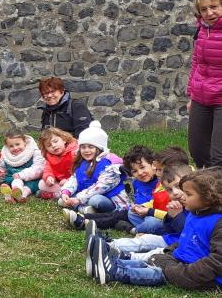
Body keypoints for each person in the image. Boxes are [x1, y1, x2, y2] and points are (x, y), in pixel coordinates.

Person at [89, 167, 222, 289]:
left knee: (159, 272)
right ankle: (111, 263)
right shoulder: (195, 214)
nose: (183, 196)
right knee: (156, 260)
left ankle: (115, 272)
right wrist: (170, 251)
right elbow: (186, 240)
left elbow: (217, 261)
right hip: (181, 259)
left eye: (188, 194)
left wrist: (185, 272)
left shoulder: (218, 222)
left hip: (201, 275)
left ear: (209, 197)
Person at [60, 121, 128, 216]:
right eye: (83, 147)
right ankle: (84, 208)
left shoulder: (110, 163)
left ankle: (83, 208)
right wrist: (66, 192)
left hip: (109, 199)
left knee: (95, 200)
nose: (86, 150)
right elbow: (74, 179)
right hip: (86, 195)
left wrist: (78, 198)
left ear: (99, 148)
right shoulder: (82, 162)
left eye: (91, 147)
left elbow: (101, 187)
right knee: (62, 199)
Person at [188, 0, 222, 168]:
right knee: (198, 151)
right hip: (201, 97)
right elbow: (196, 65)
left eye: (214, 7)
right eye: (204, 9)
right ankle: (210, 191)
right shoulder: (201, 31)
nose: (209, 13)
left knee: (219, 156)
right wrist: (191, 95)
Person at [0, 132, 44, 204]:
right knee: (15, 181)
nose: (15, 148)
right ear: (7, 146)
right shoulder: (6, 155)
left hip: (31, 178)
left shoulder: (34, 152)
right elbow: (2, 166)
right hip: (13, 178)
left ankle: (22, 195)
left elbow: (38, 168)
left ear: (24, 142)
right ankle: (13, 194)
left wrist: (22, 175)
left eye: (17, 144)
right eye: (11, 146)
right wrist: (0, 171)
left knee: (32, 184)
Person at [37, 127, 78, 200]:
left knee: (74, 185)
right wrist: (49, 177)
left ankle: (58, 194)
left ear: (64, 139)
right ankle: (59, 193)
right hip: (59, 183)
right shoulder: (49, 157)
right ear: (45, 149)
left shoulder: (74, 152)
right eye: (49, 145)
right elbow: (48, 170)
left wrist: (68, 180)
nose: (53, 146)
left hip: (73, 181)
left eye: (55, 141)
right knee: (41, 184)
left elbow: (79, 170)